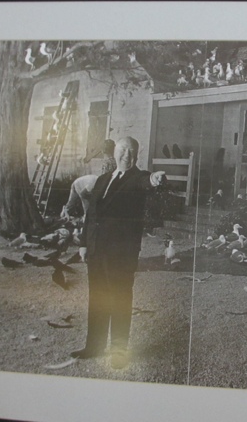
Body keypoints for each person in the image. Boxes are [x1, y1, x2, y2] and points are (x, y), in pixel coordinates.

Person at [71, 136, 165, 369]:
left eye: (132, 151)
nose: (126, 155)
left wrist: (154, 179)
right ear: (115, 152)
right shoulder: (102, 180)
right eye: (123, 150)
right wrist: (84, 244)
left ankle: (119, 352)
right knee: (98, 299)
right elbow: (91, 215)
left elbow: (146, 182)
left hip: (121, 254)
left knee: (120, 300)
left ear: (137, 155)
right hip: (96, 251)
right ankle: (94, 346)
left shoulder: (137, 179)